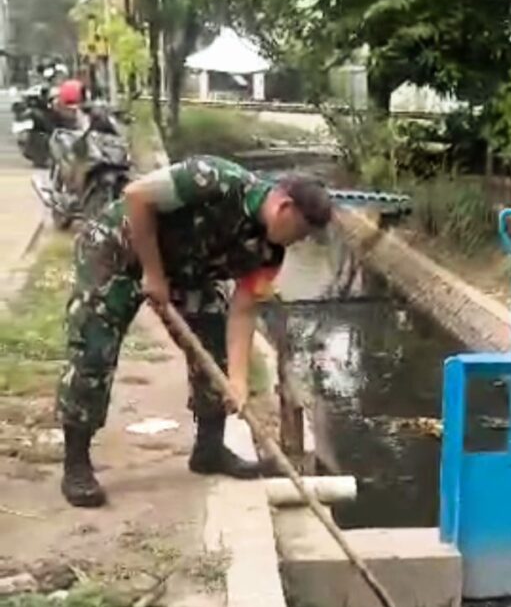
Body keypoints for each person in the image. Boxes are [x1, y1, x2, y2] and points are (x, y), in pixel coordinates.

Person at [57, 155, 332, 508]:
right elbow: (137, 195)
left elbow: (244, 310)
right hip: (118, 251)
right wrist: (153, 273)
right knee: (94, 349)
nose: (299, 241)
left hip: (187, 272)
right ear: (285, 206)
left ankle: (209, 450)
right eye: (302, 231)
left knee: (213, 345)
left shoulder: (269, 254)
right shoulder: (214, 179)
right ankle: (76, 463)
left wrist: (238, 380)